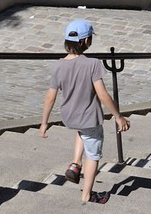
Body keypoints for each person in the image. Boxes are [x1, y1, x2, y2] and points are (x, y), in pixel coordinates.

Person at [40, 19, 130, 204]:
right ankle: (87, 195)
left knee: (82, 133)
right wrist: (118, 117)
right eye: (90, 38)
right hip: (89, 118)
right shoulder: (93, 64)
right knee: (93, 155)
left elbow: (50, 97)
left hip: (70, 116)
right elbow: (103, 95)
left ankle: (75, 164)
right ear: (85, 41)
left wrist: (44, 123)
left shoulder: (57, 65)